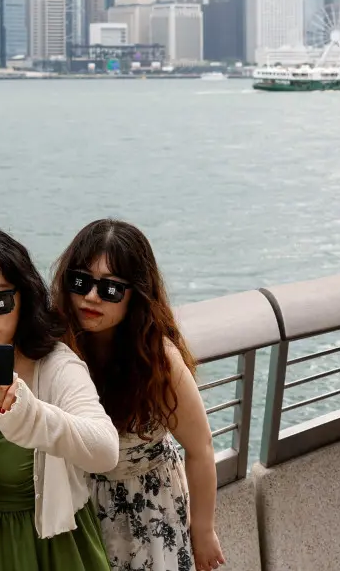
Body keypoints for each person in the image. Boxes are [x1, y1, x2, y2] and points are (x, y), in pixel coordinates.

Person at [0, 227, 118, 571]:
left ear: (23, 297)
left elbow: (105, 450)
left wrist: (27, 416)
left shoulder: (55, 366)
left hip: (50, 551)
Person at [52, 219, 225, 571]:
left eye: (110, 288)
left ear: (137, 293)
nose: (91, 297)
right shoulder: (56, 346)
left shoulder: (158, 359)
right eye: (81, 281)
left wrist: (203, 530)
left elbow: (200, 446)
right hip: (78, 506)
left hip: (148, 505)